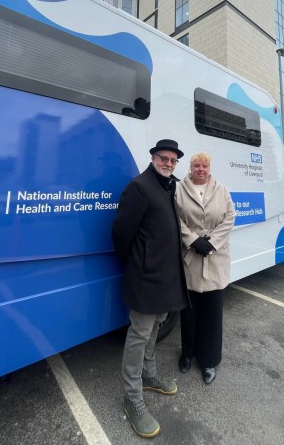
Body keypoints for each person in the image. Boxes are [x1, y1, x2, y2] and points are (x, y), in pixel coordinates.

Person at [112, 139, 189, 438]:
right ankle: (132, 397)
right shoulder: (140, 187)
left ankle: (148, 374)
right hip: (145, 277)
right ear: (153, 158)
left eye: (173, 160)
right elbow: (121, 233)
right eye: (164, 158)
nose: (168, 164)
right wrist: (138, 263)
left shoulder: (171, 186)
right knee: (139, 333)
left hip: (166, 275)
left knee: (156, 326)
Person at [175, 151, 235, 384]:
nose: (201, 169)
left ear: (210, 169)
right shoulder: (179, 189)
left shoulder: (222, 190)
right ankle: (187, 354)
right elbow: (175, 218)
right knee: (188, 312)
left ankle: (209, 361)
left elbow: (230, 217)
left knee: (212, 313)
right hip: (190, 256)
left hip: (215, 257)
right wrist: (192, 240)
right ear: (191, 168)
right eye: (197, 166)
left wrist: (210, 242)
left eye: (205, 166)